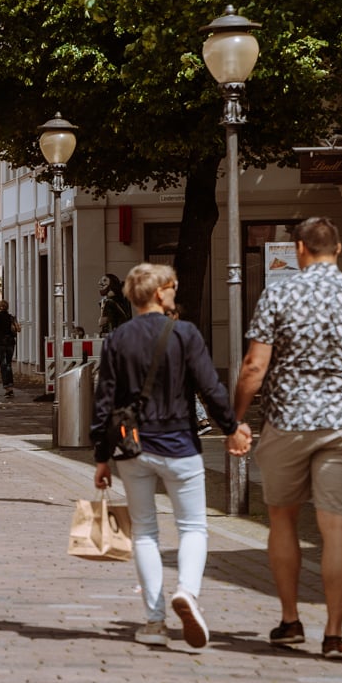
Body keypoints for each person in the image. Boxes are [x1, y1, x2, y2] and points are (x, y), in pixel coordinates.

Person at [229, 217, 342, 662]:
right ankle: (334, 635)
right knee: (336, 528)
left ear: (299, 249)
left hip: (288, 424)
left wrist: (235, 419)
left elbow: (254, 368)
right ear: (337, 250)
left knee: (282, 520)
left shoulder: (279, 293)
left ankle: (290, 620)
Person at [91, 263, 239, 649]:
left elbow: (104, 401)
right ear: (159, 293)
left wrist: (101, 456)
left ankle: (155, 621)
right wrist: (232, 427)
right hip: (179, 444)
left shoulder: (118, 339)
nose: (175, 292)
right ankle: (187, 593)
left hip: (133, 447)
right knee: (192, 527)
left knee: (144, 532)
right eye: (172, 286)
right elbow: (210, 387)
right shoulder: (185, 334)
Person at [0, 300, 21, 401]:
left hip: (0, 343)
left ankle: (7, 388)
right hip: (10, 343)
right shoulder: (11, 317)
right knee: (8, 364)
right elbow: (18, 329)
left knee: (3, 365)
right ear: (7, 307)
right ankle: (10, 386)